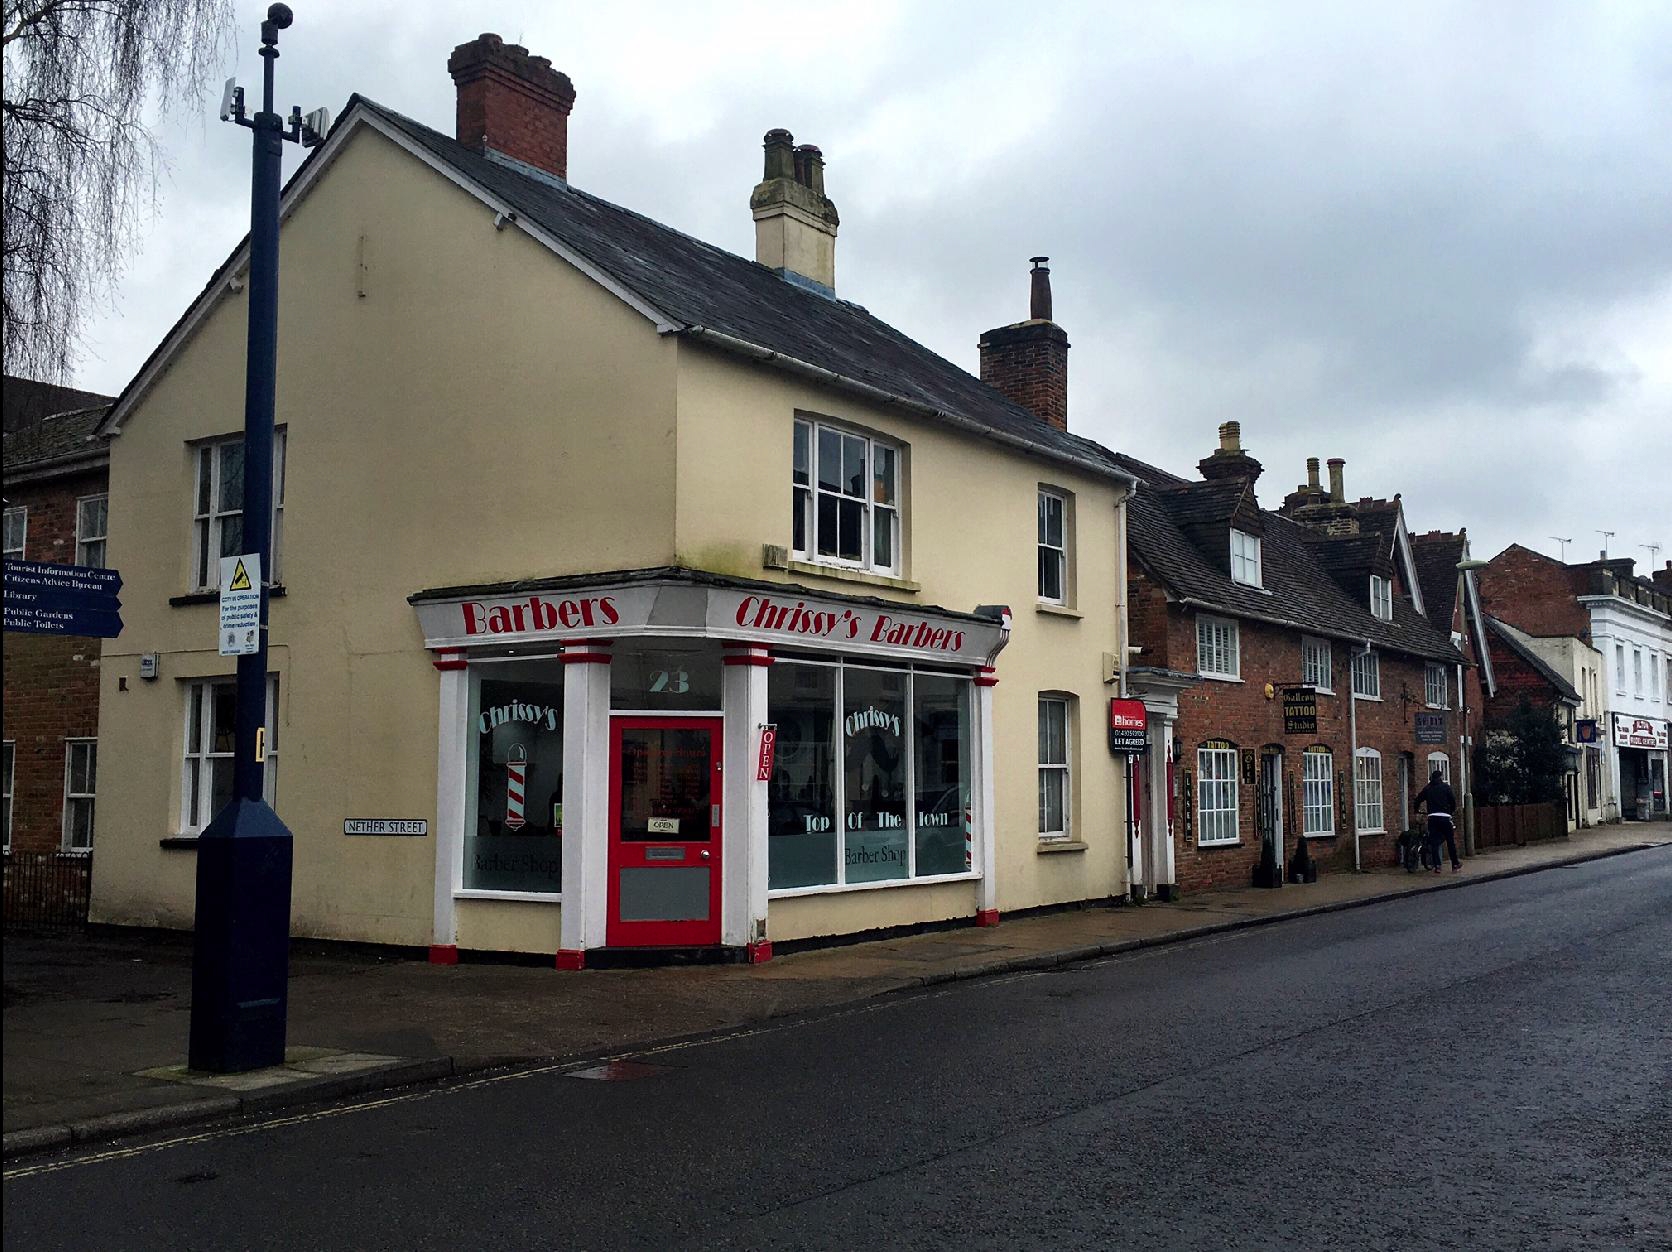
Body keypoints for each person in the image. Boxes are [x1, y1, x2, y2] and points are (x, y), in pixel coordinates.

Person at [1414, 770, 1461, 872]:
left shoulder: (1428, 788)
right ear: (1440, 777)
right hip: (1445, 817)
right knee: (1450, 842)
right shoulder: (1446, 787)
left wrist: (1416, 810)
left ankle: (1437, 866)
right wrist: (1450, 811)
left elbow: (1418, 799)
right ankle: (1455, 864)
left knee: (1434, 842)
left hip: (1433, 818)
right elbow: (1453, 801)